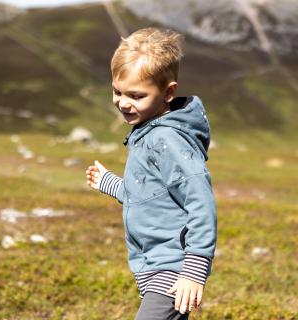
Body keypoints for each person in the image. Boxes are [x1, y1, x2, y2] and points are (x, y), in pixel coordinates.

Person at [86, 27, 217, 320]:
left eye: (136, 95)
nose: (122, 102)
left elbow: (201, 201)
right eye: (117, 91)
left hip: (174, 267)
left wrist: (194, 271)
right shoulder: (147, 132)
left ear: (168, 92)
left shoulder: (167, 139)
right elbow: (151, 193)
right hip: (151, 263)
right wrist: (110, 184)